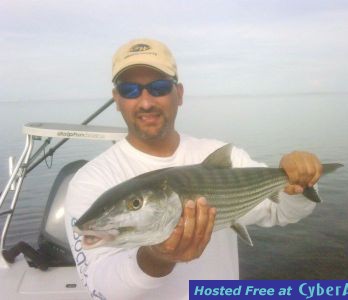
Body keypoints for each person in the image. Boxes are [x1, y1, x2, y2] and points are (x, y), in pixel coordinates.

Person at [65, 38, 322, 300]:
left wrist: (302, 181)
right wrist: (157, 257)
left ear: (179, 94)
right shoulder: (91, 180)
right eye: (130, 90)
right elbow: (100, 286)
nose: (145, 102)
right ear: (116, 99)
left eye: (159, 87)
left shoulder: (226, 156)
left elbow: (281, 212)